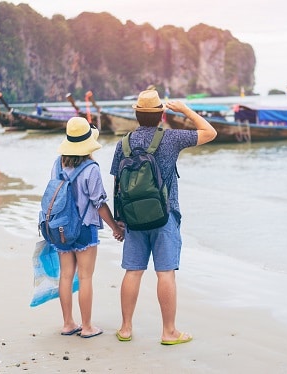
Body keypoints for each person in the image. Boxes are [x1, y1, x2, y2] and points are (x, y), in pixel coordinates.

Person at [110, 90, 217, 345]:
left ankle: (125, 328)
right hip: (164, 215)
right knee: (165, 273)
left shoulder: (123, 143)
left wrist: (119, 221)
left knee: (133, 272)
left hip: (133, 217)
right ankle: (169, 331)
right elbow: (210, 132)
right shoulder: (170, 139)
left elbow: (117, 185)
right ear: (161, 115)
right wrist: (186, 111)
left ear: (136, 115)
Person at [53, 116, 124, 338]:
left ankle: (67, 323)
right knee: (84, 278)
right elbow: (99, 203)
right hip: (84, 227)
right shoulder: (91, 168)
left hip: (60, 227)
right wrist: (115, 227)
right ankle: (86, 327)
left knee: (66, 276)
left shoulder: (57, 163)